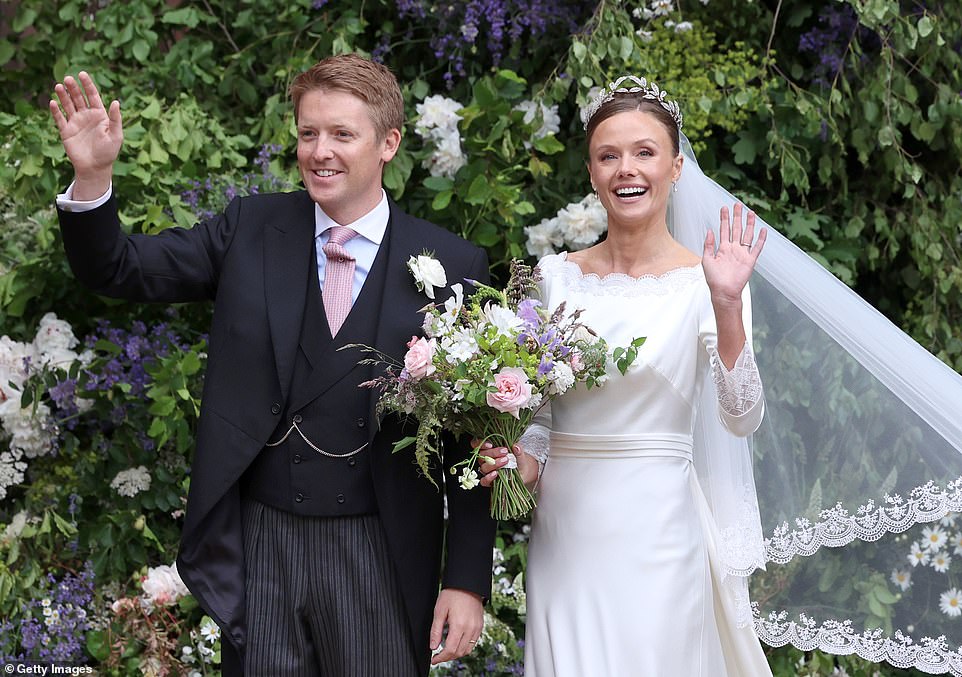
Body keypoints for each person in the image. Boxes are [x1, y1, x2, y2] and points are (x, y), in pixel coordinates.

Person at [49, 54, 496, 676]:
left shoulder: (452, 264)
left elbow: (473, 439)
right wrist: (93, 178)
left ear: (388, 143)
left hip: (380, 550)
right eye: (308, 132)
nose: (320, 151)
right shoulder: (250, 229)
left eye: (342, 134)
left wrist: (467, 578)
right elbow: (118, 268)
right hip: (260, 547)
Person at [479, 76, 774, 675]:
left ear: (676, 167)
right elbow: (538, 424)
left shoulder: (711, 280)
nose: (625, 169)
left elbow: (742, 417)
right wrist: (513, 463)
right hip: (566, 536)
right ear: (591, 173)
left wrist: (725, 305)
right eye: (608, 155)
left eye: (644, 152)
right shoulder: (554, 279)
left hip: (660, 534)